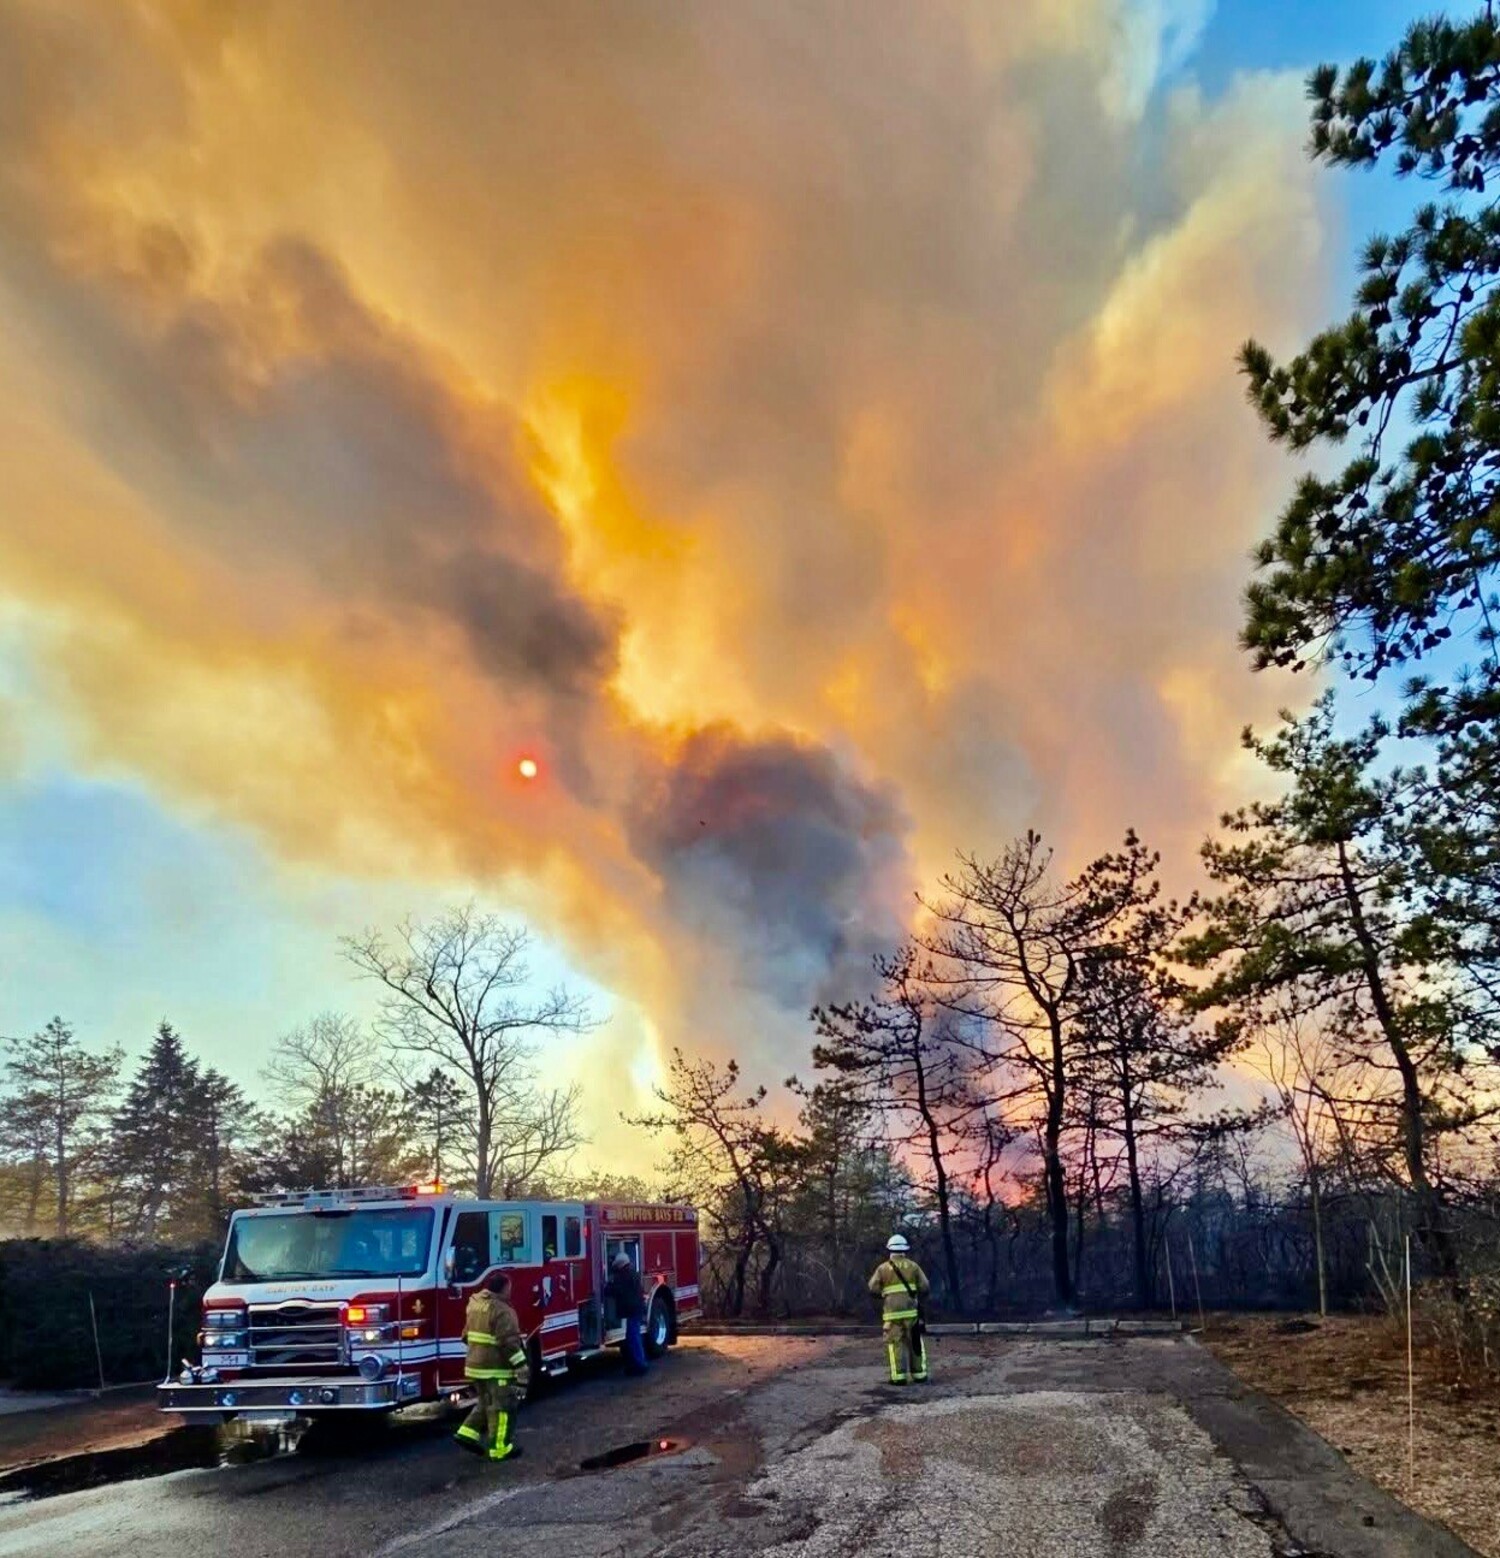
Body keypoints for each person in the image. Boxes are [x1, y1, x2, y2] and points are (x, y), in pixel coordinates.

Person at [454, 1271, 531, 1462]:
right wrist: (522, 1367)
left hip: (474, 1367)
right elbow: (510, 1343)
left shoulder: (475, 1304)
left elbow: (465, 1335)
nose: (511, 1291)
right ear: (504, 1288)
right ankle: (500, 1449)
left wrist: (479, 1353)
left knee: (485, 1402)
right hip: (496, 1369)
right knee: (503, 1408)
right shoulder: (502, 1310)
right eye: (509, 1288)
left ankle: (466, 1433)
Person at [867, 1233, 930, 1385]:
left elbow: (872, 1287)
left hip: (892, 1314)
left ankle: (898, 1377)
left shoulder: (882, 1268)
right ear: (905, 1250)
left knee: (894, 1344)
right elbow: (925, 1286)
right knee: (915, 1343)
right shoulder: (913, 1266)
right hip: (911, 1313)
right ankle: (919, 1375)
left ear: (890, 1249)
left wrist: (884, 1294)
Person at [607, 1250, 648, 1375]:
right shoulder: (632, 1273)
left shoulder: (624, 1275)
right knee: (633, 1336)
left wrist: (606, 1288)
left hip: (633, 1311)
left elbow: (616, 1290)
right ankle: (636, 1364)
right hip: (637, 1309)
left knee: (633, 1337)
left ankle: (640, 1365)